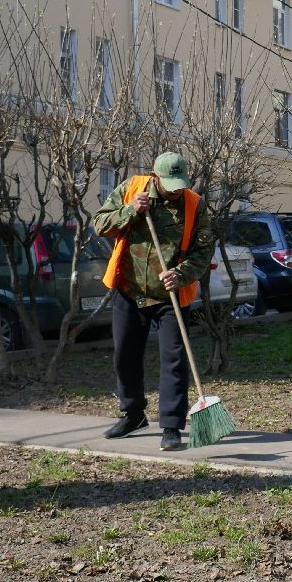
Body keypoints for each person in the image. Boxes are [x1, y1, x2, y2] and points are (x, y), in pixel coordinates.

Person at [93, 152, 210, 450]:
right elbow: (100, 224)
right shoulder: (133, 189)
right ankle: (133, 414)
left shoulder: (195, 204)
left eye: (179, 184)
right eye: (169, 184)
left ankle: (171, 425)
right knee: (125, 355)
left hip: (170, 294)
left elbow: (203, 251)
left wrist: (182, 274)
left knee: (174, 359)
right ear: (155, 177)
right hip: (130, 289)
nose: (175, 190)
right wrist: (130, 210)